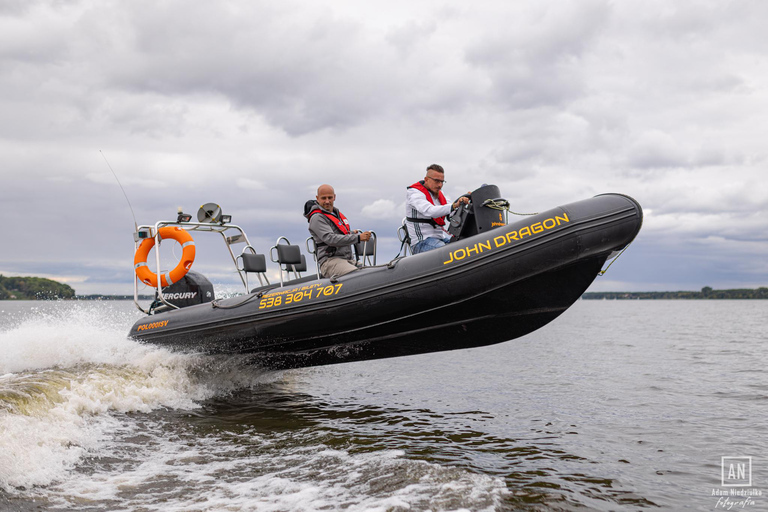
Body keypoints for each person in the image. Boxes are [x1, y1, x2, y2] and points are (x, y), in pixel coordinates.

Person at [305, 184, 372, 277]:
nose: (327, 201)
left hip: (347, 259)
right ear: (317, 198)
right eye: (323, 198)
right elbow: (331, 239)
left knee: (371, 273)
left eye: (330, 197)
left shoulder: (336, 214)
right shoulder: (317, 218)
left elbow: (339, 234)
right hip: (330, 261)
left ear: (334, 197)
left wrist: (351, 233)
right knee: (358, 276)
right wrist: (358, 238)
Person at [405, 164, 469, 254]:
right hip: (422, 242)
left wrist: (464, 203)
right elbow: (430, 211)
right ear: (426, 179)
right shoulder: (414, 193)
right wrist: (454, 206)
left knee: (465, 247)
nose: (440, 185)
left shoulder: (439, 193)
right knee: (452, 253)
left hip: (440, 238)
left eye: (442, 182)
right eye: (436, 181)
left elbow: (451, 210)